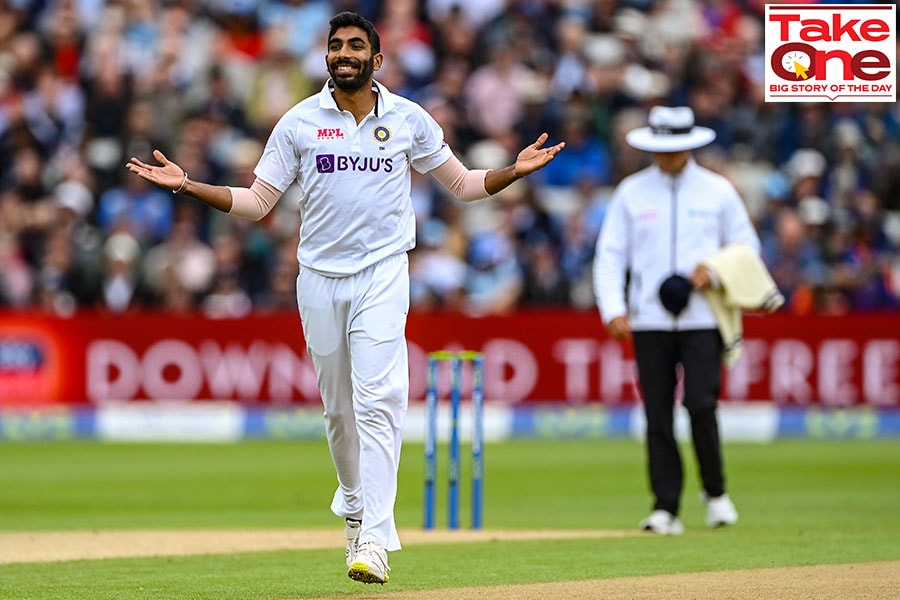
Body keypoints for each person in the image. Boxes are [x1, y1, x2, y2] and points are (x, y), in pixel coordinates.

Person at [125, 11, 564, 585]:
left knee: (380, 400)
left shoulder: (409, 118)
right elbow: (258, 202)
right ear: (327, 56)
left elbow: (461, 185)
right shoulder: (299, 122)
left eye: (356, 46)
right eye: (336, 46)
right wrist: (187, 185)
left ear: (377, 61)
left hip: (383, 273)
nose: (344, 54)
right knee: (339, 410)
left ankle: (374, 540)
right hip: (318, 279)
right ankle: (355, 503)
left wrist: (512, 171)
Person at [592, 106, 758, 535]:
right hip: (648, 318)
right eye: (660, 150)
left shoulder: (718, 191)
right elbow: (610, 253)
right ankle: (665, 506)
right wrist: (612, 307)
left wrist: (714, 271)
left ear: (689, 146)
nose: (666, 157)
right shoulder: (631, 192)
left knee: (702, 403)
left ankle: (716, 493)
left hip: (704, 315)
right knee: (657, 412)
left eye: (675, 149)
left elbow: (746, 246)